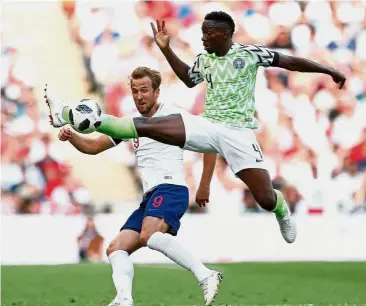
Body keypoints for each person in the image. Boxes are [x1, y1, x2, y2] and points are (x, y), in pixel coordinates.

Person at [45, 12, 346, 245]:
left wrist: (328, 70)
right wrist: (166, 50)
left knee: (265, 199)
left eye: (208, 34)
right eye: (202, 33)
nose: (202, 39)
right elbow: (189, 79)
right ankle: (72, 115)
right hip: (206, 125)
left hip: (239, 133)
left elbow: (289, 61)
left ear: (225, 35)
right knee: (144, 126)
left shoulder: (249, 54)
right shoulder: (205, 59)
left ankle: (281, 209)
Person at [50, 67, 222, 306]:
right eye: (135, 91)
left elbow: (211, 143)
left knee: (148, 235)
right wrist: (72, 136)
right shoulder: (131, 124)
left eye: (144, 90)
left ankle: (206, 274)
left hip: (171, 188)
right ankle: (124, 299)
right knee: (116, 248)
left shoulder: (174, 115)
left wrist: (204, 184)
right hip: (150, 196)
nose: (139, 96)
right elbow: (94, 147)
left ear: (156, 92)